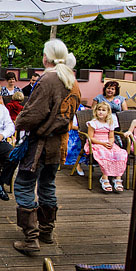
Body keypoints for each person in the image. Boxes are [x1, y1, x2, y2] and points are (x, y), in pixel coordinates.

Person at [12, 39, 81, 254]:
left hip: (39, 145)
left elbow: (34, 113)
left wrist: (19, 122)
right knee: (47, 185)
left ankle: (31, 239)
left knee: (24, 185)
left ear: (45, 57)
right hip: (58, 144)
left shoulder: (48, 79)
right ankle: (47, 231)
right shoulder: (71, 79)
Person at [86, 102, 128, 192]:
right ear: (95, 111)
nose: (100, 112)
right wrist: (102, 144)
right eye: (99, 110)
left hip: (107, 143)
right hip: (96, 143)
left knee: (119, 153)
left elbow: (111, 136)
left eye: (103, 110)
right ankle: (105, 178)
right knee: (104, 153)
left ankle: (117, 177)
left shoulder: (110, 123)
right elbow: (91, 138)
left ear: (108, 113)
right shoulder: (93, 123)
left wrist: (111, 143)